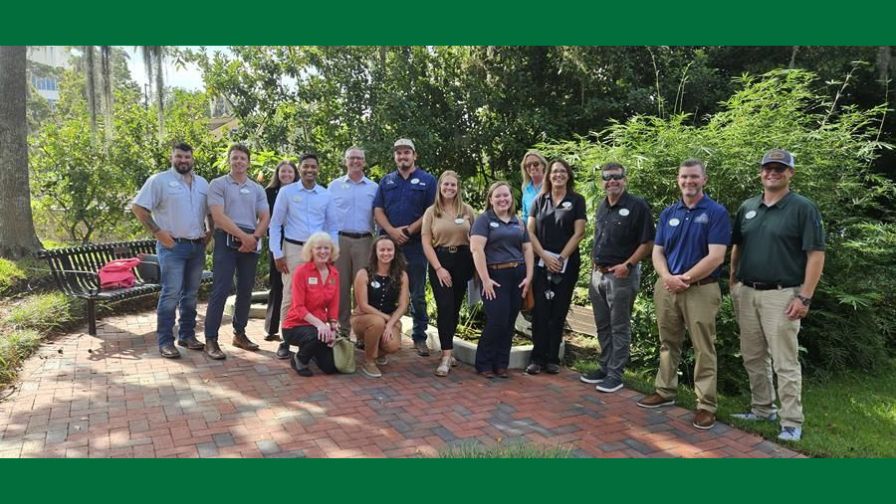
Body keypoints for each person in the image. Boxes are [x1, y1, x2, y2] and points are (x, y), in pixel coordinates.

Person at [729, 149, 825, 442]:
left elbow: (816, 254)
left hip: (783, 296)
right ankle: (762, 409)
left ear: (790, 173)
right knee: (753, 356)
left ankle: (791, 422)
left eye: (780, 168)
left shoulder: (802, 208)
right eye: (768, 167)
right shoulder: (747, 206)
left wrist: (805, 297)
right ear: (760, 172)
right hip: (746, 292)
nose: (773, 172)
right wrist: (733, 282)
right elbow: (738, 246)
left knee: (785, 361)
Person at [637, 159, 730, 431]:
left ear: (704, 180)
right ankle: (665, 391)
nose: (688, 181)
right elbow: (657, 251)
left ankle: (705, 406)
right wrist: (667, 277)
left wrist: (685, 279)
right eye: (684, 177)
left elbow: (716, 257)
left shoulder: (716, 213)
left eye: (694, 177)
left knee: (704, 348)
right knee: (668, 341)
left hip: (700, 289)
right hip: (667, 287)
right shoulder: (669, 213)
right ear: (677, 180)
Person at [132, 142, 212, 359]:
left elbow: (210, 212)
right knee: (171, 294)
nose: (183, 160)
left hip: (197, 246)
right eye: (179, 156)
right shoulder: (159, 181)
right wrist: (158, 233)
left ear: (192, 159)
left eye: (187, 157)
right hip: (172, 247)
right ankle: (165, 341)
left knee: (191, 295)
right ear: (172, 157)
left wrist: (209, 234)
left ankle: (187, 335)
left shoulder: (203, 183)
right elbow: (138, 208)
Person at [579, 162, 654, 393]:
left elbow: (649, 242)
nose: (612, 181)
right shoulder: (602, 206)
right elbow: (599, 237)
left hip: (621, 276)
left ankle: (616, 374)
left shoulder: (637, 206)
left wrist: (628, 265)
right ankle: (604, 366)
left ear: (625, 179)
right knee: (602, 325)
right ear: (602, 182)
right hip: (598, 275)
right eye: (608, 177)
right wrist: (593, 261)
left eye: (617, 177)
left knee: (619, 325)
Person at [269, 153, 339, 359]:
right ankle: (285, 340)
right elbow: (275, 224)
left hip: (318, 252)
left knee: (314, 295)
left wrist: (332, 252)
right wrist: (277, 253)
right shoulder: (287, 192)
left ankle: (308, 340)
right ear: (299, 168)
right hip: (292, 249)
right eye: (306, 166)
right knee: (290, 294)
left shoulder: (325, 195)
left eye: (313, 166)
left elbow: (332, 227)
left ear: (318, 169)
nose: (310, 170)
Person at [203, 144, 270, 359]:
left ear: (248, 163)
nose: (239, 161)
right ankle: (211, 339)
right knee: (221, 289)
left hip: (251, 240)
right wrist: (245, 237)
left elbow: (265, 217)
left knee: (245, 290)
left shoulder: (257, 188)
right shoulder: (218, 184)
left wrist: (255, 237)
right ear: (229, 161)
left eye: (243, 158)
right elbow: (218, 217)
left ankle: (239, 334)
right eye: (235, 158)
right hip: (226, 240)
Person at [373, 138, 437, 357]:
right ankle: (378, 333)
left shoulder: (428, 181)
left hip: (416, 246)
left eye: (406, 152)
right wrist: (391, 232)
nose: (403, 156)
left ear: (414, 155)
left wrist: (408, 231)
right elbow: (378, 211)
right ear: (395, 157)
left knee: (417, 293)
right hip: (388, 247)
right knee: (383, 289)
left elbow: (431, 211)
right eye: (399, 153)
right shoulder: (386, 181)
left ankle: (419, 337)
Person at [525, 159, 586, 376]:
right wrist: (543, 255)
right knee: (540, 311)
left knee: (558, 311)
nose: (558, 175)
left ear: (568, 175)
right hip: (541, 263)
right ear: (549, 176)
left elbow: (579, 233)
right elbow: (529, 231)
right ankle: (537, 358)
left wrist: (560, 259)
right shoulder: (539, 200)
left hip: (566, 263)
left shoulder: (577, 200)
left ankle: (552, 359)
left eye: (562, 171)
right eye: (554, 172)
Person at [470, 181, 534, 379]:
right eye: (497, 196)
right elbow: (476, 249)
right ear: (491, 199)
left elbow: (527, 249)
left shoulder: (518, 221)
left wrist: (529, 276)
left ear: (511, 198)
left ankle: (501, 363)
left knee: (508, 322)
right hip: (494, 277)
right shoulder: (484, 220)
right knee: (497, 320)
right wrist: (485, 280)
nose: (502, 199)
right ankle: (483, 363)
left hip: (518, 275)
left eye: (505, 195)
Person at [421, 170, 476, 377]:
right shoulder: (431, 212)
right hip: (440, 260)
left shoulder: (467, 211)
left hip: (463, 260)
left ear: (458, 188)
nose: (449, 188)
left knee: (453, 308)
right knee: (444, 306)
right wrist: (438, 268)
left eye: (453, 185)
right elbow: (426, 243)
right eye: (446, 185)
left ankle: (448, 349)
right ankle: (445, 356)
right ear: (440, 187)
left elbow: (476, 237)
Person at [328, 147, 378, 339]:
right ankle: (343, 330)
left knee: (362, 288)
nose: (356, 161)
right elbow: (327, 217)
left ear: (364, 161)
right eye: (352, 158)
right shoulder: (334, 186)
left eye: (359, 158)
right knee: (340, 287)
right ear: (345, 161)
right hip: (340, 241)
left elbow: (379, 215)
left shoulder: (374, 187)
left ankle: (361, 331)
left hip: (365, 241)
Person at [281, 232, 341, 377]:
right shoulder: (301, 272)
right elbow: (298, 307)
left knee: (330, 367)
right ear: (311, 251)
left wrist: (333, 327)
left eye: (326, 248)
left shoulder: (334, 274)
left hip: (318, 327)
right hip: (295, 325)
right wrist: (320, 325)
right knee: (314, 336)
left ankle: (312, 350)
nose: (323, 251)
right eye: (318, 248)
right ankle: (299, 360)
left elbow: (334, 304)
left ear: (331, 251)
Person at [351, 236, 409, 378]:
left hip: (387, 319)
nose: (386, 253)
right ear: (375, 252)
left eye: (389, 250)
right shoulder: (364, 273)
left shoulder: (402, 275)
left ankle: (374, 349)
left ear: (395, 252)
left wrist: (390, 324)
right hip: (363, 318)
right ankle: (369, 361)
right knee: (376, 322)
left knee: (393, 345)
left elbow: (403, 305)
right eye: (382, 250)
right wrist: (386, 319)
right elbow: (363, 305)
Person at [263, 160, 298, 344]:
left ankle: (294, 325)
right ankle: (271, 328)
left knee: (296, 286)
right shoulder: (269, 193)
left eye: (290, 172)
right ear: (277, 174)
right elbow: (267, 219)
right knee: (277, 284)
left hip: (297, 244)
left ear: (295, 174)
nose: (286, 175)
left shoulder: (302, 192)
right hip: (277, 244)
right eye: (283, 172)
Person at [520, 150, 547, 222]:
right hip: (531, 231)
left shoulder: (552, 185)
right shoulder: (526, 188)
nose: (532, 167)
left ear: (543, 165)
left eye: (535, 164)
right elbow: (525, 216)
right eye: (528, 165)